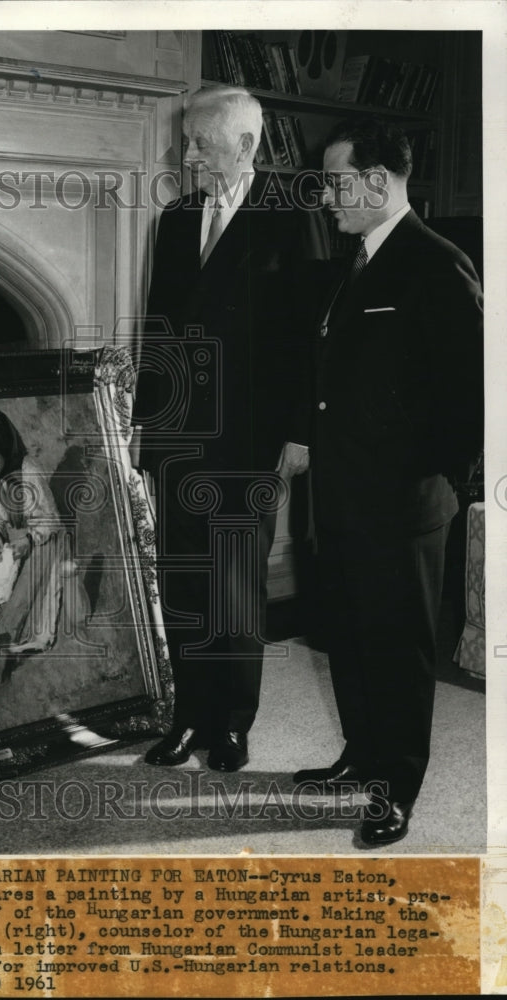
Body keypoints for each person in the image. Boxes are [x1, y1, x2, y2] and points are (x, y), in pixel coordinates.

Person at [285, 118, 483, 846]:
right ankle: (361, 759)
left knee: (398, 651)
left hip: (399, 505)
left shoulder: (436, 264)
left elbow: (473, 399)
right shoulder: (358, 260)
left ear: (376, 182)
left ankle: (396, 787)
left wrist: (425, 481)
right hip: (341, 496)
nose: (327, 198)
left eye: (336, 183)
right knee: (352, 638)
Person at [132, 85, 328, 771]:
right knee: (186, 581)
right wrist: (146, 434)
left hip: (252, 436)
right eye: (186, 143)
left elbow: (311, 337)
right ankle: (189, 719)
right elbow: (157, 330)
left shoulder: (294, 214)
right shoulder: (179, 218)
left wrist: (301, 432)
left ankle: (233, 724)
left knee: (236, 585)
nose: (187, 157)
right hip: (180, 439)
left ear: (244, 146)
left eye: (200, 145)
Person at [0, 409, 66, 672]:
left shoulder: (29, 470)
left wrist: (29, 540)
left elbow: (51, 519)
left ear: (6, 448)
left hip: (43, 538)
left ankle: (4, 644)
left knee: (27, 595)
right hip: (14, 539)